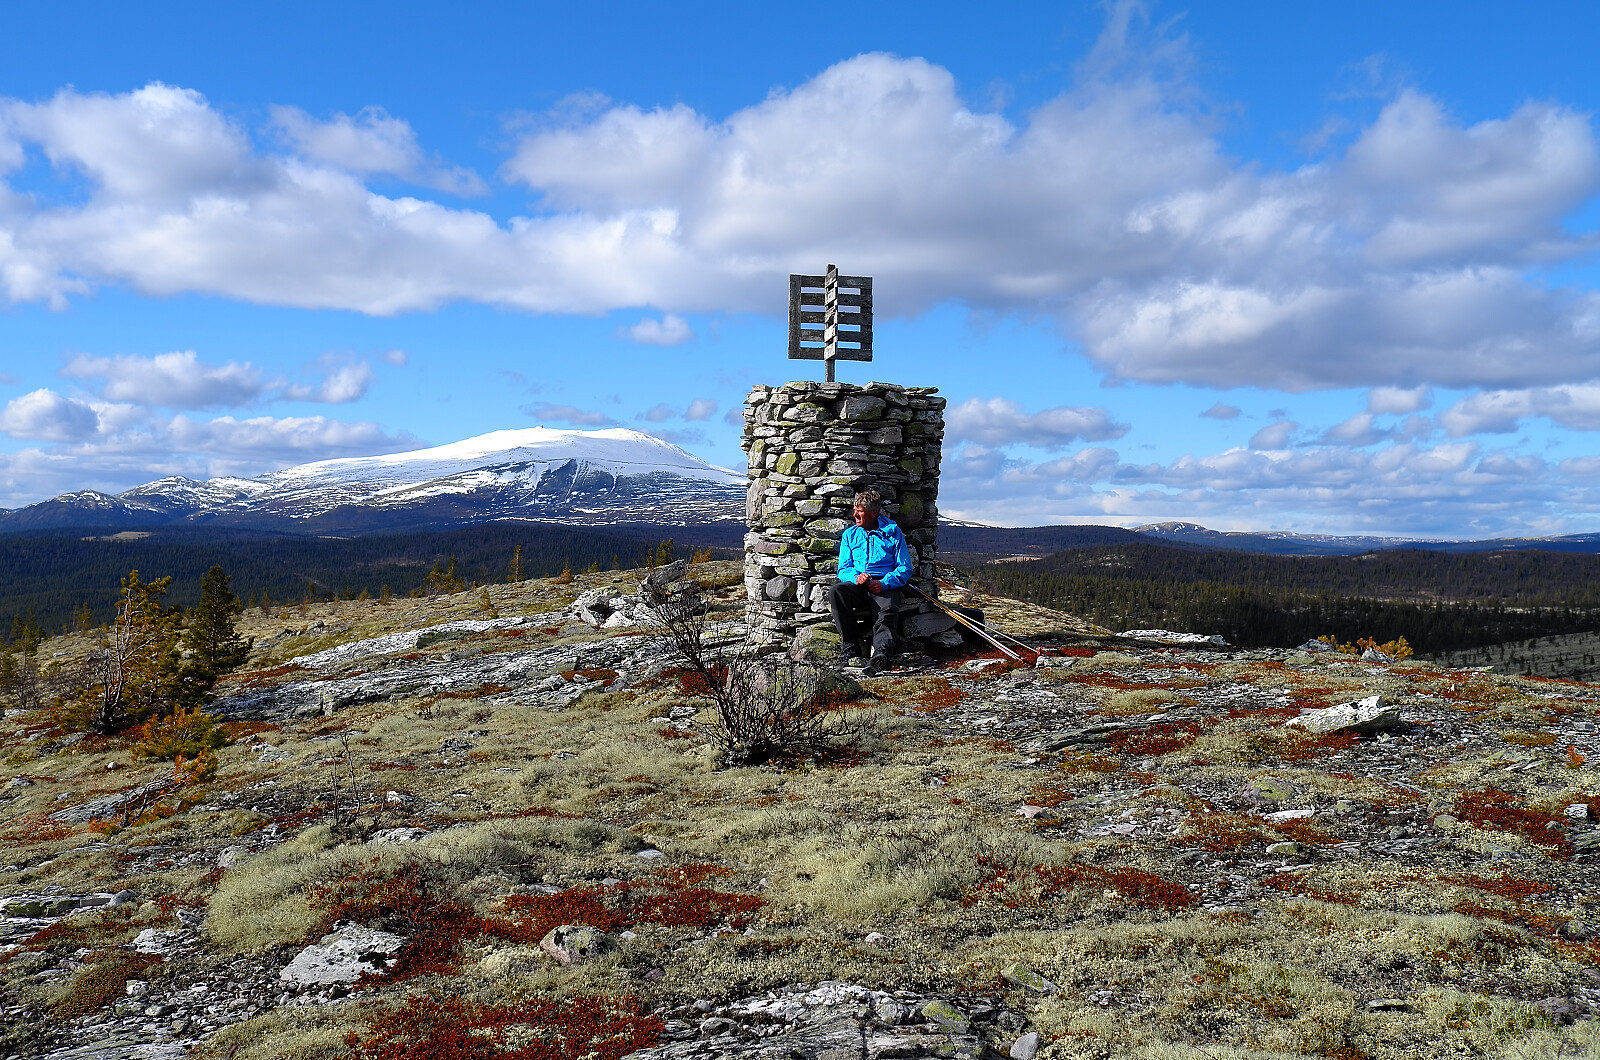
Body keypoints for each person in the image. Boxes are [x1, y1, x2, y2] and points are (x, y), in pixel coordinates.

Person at [830, 488, 912, 675]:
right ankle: (850, 648)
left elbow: (905, 567)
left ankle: (881, 655)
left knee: (887, 611)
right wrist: (856, 577)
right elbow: (843, 568)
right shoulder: (850, 535)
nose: (855, 515)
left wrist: (884, 583)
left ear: (873, 513)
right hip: (858, 584)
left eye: (860, 511)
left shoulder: (892, 532)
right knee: (836, 592)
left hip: (884, 584)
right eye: (855, 510)